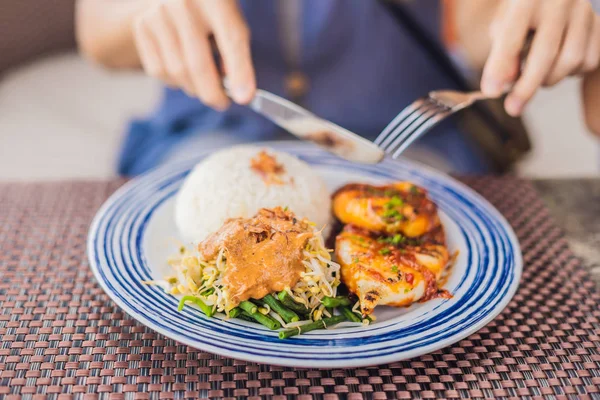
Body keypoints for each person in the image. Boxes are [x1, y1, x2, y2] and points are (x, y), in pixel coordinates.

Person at [76, 0, 600, 176]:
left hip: (412, 148)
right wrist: (144, 12)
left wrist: (551, 24)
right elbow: (96, 34)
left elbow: (482, 27)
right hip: (207, 136)